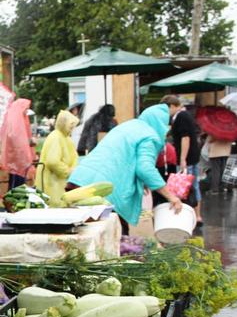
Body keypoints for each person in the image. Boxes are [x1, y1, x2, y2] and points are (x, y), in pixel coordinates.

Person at [68, 104, 183, 233]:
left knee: (82, 234)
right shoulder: (150, 136)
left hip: (81, 180)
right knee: (111, 237)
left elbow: (124, 157)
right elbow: (145, 169)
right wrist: (171, 196)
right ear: (160, 124)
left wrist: (141, 182)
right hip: (104, 191)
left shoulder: (128, 126)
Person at [162, 95, 203, 224]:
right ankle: (196, 216)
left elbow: (185, 138)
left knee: (187, 188)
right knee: (193, 186)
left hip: (188, 157)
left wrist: (182, 159)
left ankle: (192, 216)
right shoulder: (185, 115)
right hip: (193, 156)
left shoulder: (181, 117)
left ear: (172, 106)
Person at [35, 109, 80, 206]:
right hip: (53, 183)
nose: (72, 130)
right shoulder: (56, 137)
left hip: (60, 183)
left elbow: (73, 156)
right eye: (70, 127)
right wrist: (68, 171)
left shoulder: (65, 138)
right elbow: (53, 161)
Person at [0, 98, 36, 191]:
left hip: (18, 162)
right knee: (16, 187)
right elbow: (16, 141)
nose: (26, 111)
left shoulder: (17, 120)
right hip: (16, 162)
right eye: (25, 108)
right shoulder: (15, 122)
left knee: (17, 186)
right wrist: (28, 142)